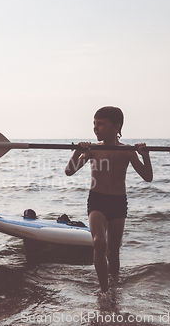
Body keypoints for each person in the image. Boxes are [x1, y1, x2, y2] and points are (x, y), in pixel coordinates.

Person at [65, 106, 152, 293]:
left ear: (116, 127)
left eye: (100, 124)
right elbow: (69, 171)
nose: (95, 128)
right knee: (99, 242)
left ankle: (114, 288)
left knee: (113, 252)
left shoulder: (128, 151)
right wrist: (76, 151)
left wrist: (146, 157)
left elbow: (147, 176)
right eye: (94, 124)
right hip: (97, 200)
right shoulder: (92, 150)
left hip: (118, 203)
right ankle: (103, 292)